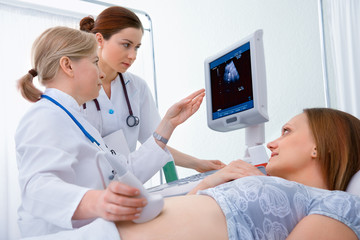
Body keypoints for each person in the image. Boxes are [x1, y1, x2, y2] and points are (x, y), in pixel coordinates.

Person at [22, 108, 360, 240]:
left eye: (286, 131)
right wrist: (208, 183)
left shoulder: (339, 205)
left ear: (324, 144)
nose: (272, 142)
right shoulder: (268, 183)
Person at [15, 26, 206, 238]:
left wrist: (167, 126)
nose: (102, 72)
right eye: (95, 62)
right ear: (68, 66)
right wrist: (98, 201)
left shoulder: (76, 119)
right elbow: (37, 189)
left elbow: (120, 173)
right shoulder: (44, 116)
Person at [79, 6, 226, 181]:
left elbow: (156, 144)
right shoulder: (75, 84)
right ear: (100, 39)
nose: (132, 55)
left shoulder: (136, 87)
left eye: (137, 47)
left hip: (126, 187)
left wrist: (198, 164)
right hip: (88, 190)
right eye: (126, 45)